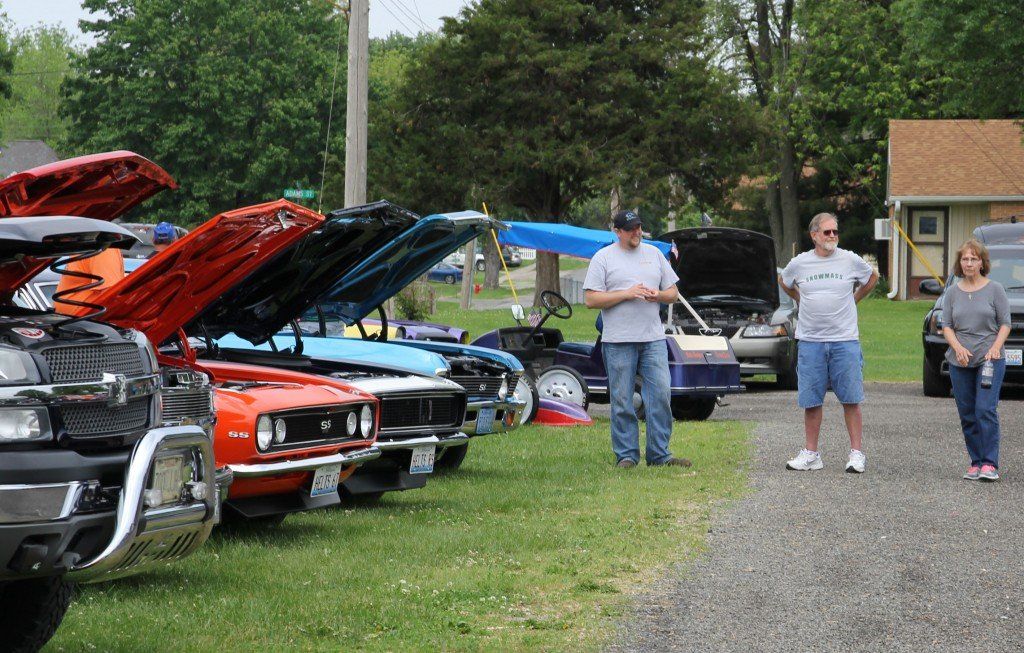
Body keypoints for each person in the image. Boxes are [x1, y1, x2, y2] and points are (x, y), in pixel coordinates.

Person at [584, 210, 688, 469]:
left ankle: (660, 455)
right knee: (622, 399)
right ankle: (627, 456)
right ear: (617, 232)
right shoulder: (603, 258)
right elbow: (591, 299)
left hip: (652, 338)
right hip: (618, 340)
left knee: (661, 394)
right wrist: (626, 293)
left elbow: (673, 293)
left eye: (639, 227)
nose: (637, 232)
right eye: (630, 229)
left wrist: (658, 295)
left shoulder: (654, 254)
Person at [778, 212, 878, 473]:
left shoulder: (849, 260)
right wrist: (800, 297)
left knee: (851, 399)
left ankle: (856, 454)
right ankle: (811, 454)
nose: (832, 236)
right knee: (811, 400)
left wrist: (853, 299)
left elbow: (872, 278)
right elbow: (784, 281)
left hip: (844, 340)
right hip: (810, 341)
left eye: (835, 231)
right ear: (814, 236)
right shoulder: (800, 263)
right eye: (827, 232)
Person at [941, 239, 1011, 481]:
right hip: (960, 361)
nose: (969, 263)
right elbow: (946, 326)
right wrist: (957, 348)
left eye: (973, 258)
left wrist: (995, 348)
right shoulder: (952, 292)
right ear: (959, 263)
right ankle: (976, 461)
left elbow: (1005, 324)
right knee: (967, 412)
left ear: (982, 262)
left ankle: (990, 463)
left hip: (989, 359)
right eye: (965, 259)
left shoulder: (995, 289)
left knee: (985, 409)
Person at [53, 247, 125, 315]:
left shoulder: (104, 251)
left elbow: (109, 295)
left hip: (83, 322)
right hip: (72, 321)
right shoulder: (85, 247)